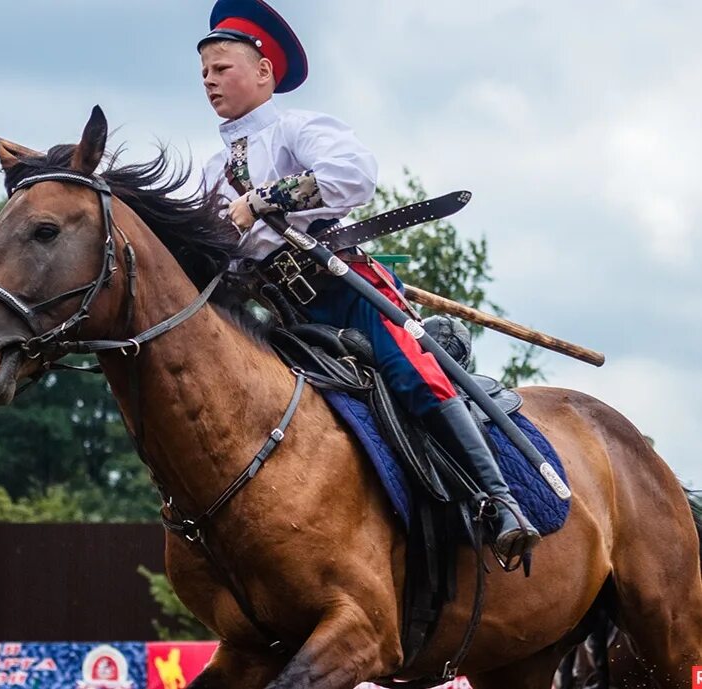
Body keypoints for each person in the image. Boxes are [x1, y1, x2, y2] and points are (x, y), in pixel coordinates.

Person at [198, 0, 539, 561]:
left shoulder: (296, 128)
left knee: (416, 374)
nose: (210, 80)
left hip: (344, 286)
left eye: (222, 67)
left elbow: (353, 176)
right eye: (205, 72)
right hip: (282, 312)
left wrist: (260, 201)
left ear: (263, 71)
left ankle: (501, 502)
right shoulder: (211, 169)